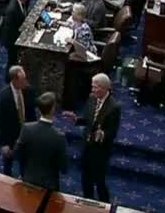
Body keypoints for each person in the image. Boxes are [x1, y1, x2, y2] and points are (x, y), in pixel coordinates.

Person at [63, 73, 121, 203]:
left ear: (105, 88)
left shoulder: (114, 107)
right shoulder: (91, 98)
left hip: (100, 150)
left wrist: (103, 134)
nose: (93, 90)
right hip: (87, 146)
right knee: (86, 179)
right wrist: (77, 120)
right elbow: (88, 120)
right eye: (92, 87)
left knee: (99, 181)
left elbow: (113, 132)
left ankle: (104, 205)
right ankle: (87, 202)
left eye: (95, 87)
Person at [14, 91, 69, 191]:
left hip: (28, 180)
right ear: (53, 109)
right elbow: (64, 168)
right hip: (49, 186)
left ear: (39, 109)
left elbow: (17, 154)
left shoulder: (26, 128)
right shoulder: (59, 137)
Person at [0, 66, 38, 176]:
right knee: (8, 165)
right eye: (22, 80)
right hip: (11, 137)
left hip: (27, 135)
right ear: (14, 80)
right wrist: (4, 144)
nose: (26, 82)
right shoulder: (4, 97)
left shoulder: (29, 90)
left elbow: (32, 113)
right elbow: (1, 122)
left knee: (26, 164)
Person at [2, 0, 29, 82]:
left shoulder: (20, 1)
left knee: (13, 60)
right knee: (12, 60)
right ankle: (8, 79)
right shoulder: (12, 9)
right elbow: (9, 30)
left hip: (15, 36)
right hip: (12, 40)